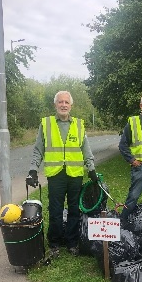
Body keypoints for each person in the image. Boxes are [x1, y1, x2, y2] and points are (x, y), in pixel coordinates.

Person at [26, 91, 98, 258]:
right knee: (55, 210)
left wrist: (92, 168)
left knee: (74, 209)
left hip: (75, 174)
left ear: (71, 105)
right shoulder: (46, 124)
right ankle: (54, 243)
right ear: (55, 105)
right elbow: (38, 150)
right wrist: (33, 170)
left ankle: (72, 242)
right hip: (56, 174)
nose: (64, 105)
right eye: (60, 102)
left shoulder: (79, 125)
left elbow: (85, 149)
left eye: (67, 102)